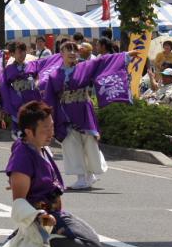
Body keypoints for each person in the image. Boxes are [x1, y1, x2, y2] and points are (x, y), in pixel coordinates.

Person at [0, 101, 104, 247]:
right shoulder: (23, 156)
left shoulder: (40, 147)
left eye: (52, 127)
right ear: (28, 131)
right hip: (43, 221)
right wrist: (41, 217)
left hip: (56, 215)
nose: (51, 133)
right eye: (45, 129)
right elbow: (19, 204)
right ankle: (35, 245)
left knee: (95, 243)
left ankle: (37, 243)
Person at [40, 42, 131, 190]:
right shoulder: (54, 74)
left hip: (83, 109)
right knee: (71, 144)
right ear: (61, 53)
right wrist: (47, 116)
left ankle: (91, 174)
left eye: (74, 50)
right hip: (65, 113)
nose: (72, 52)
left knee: (90, 142)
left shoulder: (85, 67)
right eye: (67, 49)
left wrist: (125, 56)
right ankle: (81, 177)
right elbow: (49, 98)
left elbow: (103, 61)